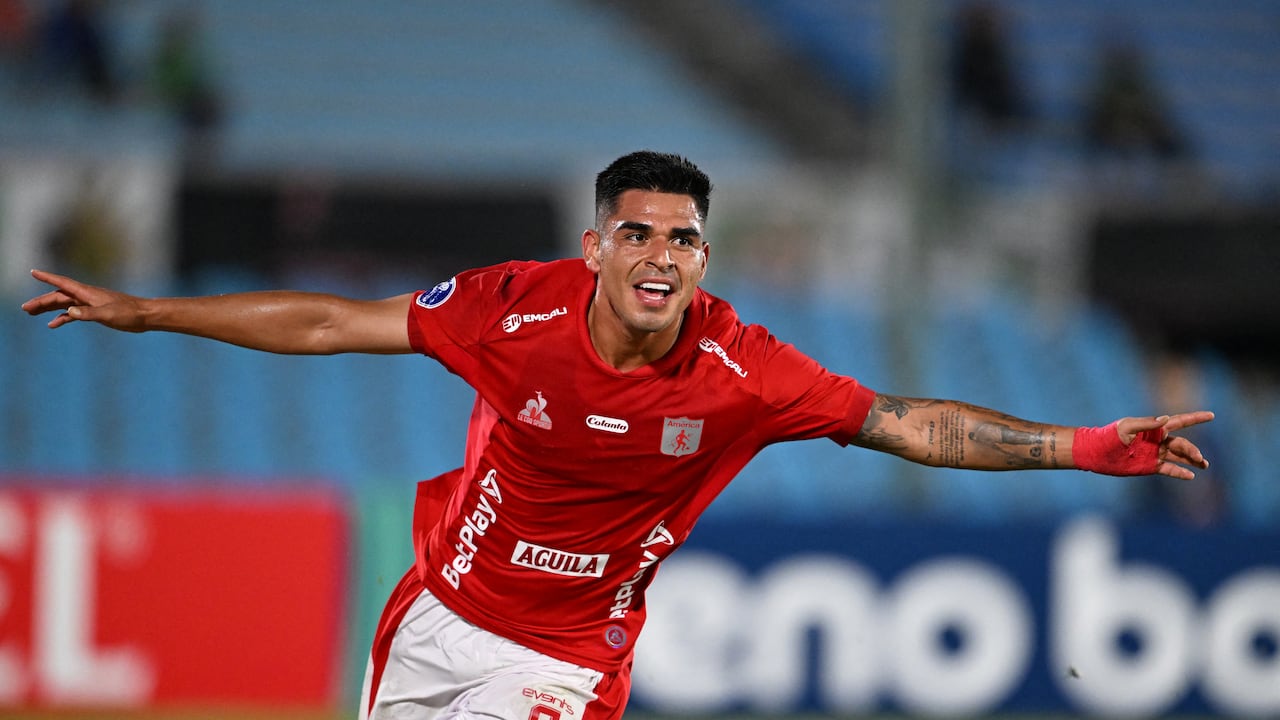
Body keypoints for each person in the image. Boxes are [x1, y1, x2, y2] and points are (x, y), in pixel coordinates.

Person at [21, 151, 1213, 720]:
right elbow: (333, 321)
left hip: (562, 662)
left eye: (682, 239)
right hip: (432, 615)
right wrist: (146, 311)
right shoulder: (508, 311)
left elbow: (907, 424)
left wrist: (1083, 446)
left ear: (703, 258)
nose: (659, 255)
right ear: (594, 247)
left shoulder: (743, 371)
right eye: (637, 234)